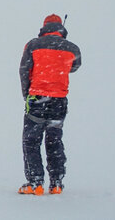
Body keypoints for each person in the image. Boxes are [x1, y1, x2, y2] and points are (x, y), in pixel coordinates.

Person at [18, 14, 81, 195]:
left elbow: (24, 69)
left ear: (44, 27)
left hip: (37, 99)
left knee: (31, 141)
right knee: (54, 140)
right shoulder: (72, 48)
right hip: (59, 101)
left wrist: (26, 93)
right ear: (61, 28)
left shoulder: (33, 45)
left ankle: (35, 182)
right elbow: (75, 66)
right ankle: (57, 183)